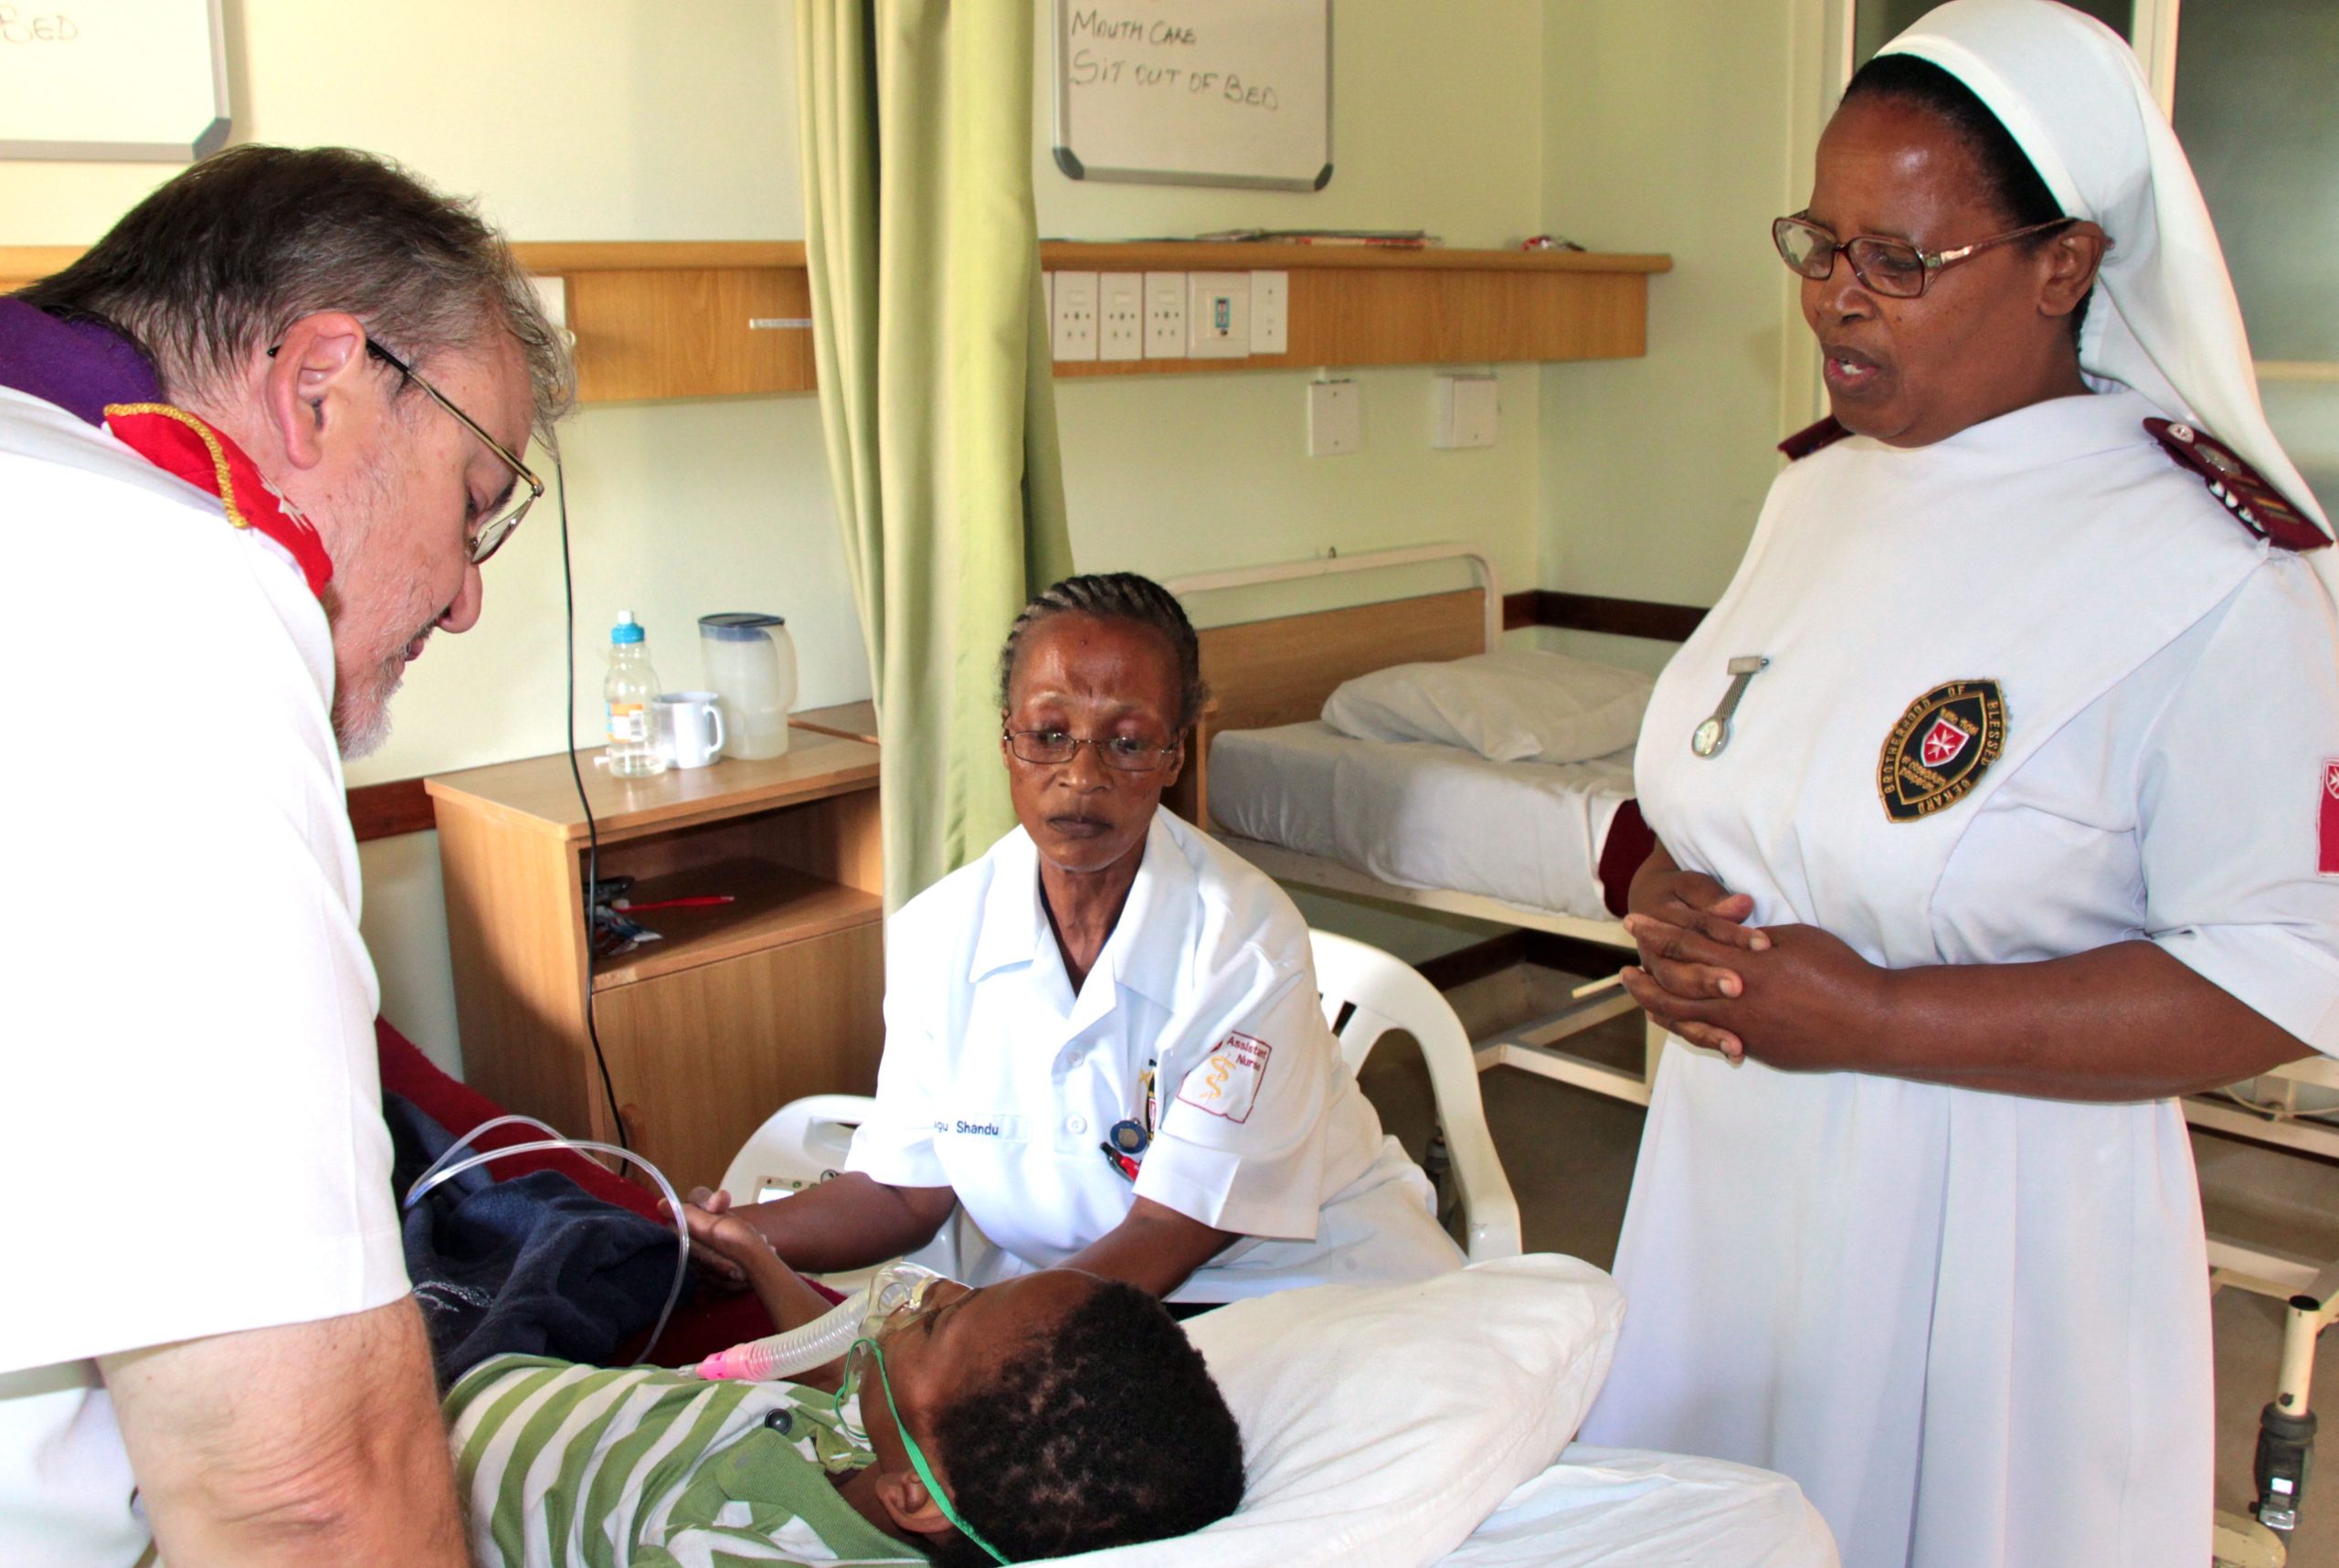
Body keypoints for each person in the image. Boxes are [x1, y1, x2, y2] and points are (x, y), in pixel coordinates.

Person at [1580, 5, 2339, 1566]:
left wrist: (1877, 1022)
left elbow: (2282, 975)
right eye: (1818, 244)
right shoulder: (1817, 493)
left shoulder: (2206, 575)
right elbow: (1727, 786)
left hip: (1997, 1233)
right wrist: (1660, 888)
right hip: (1732, 1179)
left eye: (1900, 262)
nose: (1835, 302)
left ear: (2062, 264)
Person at [0, 147, 572, 1566]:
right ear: (324, 382)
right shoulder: (161, 585)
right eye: (475, 497)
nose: (465, 595)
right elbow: (307, 1498)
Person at [693, 572, 1462, 1303]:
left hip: (1305, 1284)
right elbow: (903, 1192)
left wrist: (982, 1336)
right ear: (1006, 742)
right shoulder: (938, 936)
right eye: (1050, 733)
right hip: (1079, 1304)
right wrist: (736, 1236)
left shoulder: (1243, 943)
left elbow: (1169, 1230)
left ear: (1173, 755)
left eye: (1126, 742)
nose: (1081, 774)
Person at [448, 1202, 1244, 1566]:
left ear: (919, 1500)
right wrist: (756, 1250)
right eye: (968, 1291)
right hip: (530, 1378)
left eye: (940, 1323)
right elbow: (829, 1355)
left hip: (438, 1461)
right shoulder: (896, 1448)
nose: (933, 1291)